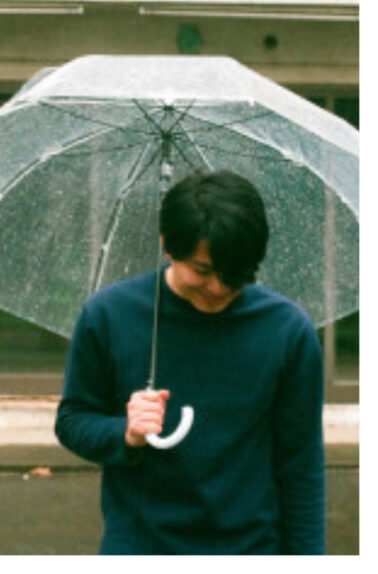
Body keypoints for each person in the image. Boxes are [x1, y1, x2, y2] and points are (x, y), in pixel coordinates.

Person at [55, 170, 325, 555]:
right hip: (141, 548)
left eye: (236, 274)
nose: (219, 287)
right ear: (167, 245)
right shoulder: (109, 315)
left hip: (251, 549)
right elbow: (73, 420)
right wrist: (125, 432)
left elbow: (301, 467)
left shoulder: (287, 330)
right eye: (203, 270)